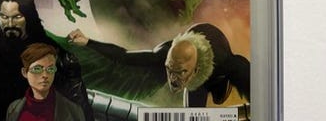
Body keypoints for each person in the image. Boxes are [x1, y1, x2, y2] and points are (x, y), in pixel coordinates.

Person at [0, 0, 93, 121]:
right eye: (4, 17)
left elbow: (78, 110)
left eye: (17, 17)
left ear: (28, 16)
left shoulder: (54, 54)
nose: (10, 24)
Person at [68, 23, 250, 107]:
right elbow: (124, 56)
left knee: (218, 96)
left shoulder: (228, 64)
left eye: (179, 72)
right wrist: (88, 42)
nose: (172, 79)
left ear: (196, 70)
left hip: (215, 76)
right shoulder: (166, 53)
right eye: (169, 70)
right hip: (194, 77)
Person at [6, 43, 85, 121]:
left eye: (50, 69)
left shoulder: (73, 111)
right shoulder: (13, 109)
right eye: (37, 69)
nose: (45, 75)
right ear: (24, 72)